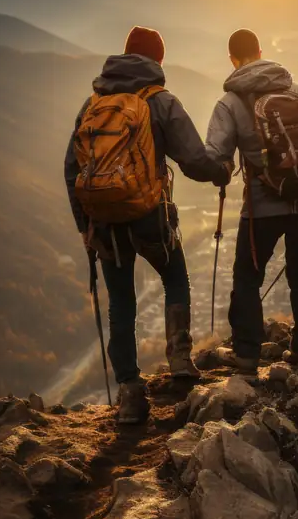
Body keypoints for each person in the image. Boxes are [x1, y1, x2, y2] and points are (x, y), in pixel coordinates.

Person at [64, 25, 231, 423]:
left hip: (104, 222)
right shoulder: (159, 101)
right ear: (157, 60)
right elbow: (192, 159)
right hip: (148, 215)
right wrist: (221, 171)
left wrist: (84, 225)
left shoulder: (93, 104)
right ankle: (179, 360)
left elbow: (72, 170)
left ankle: (130, 394)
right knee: (174, 279)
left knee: (121, 303)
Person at [205, 28, 298, 376]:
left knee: (248, 276)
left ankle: (246, 356)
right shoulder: (297, 91)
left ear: (233, 59)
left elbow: (215, 155)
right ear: (261, 52)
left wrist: (224, 169)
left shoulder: (230, 103)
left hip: (262, 206)